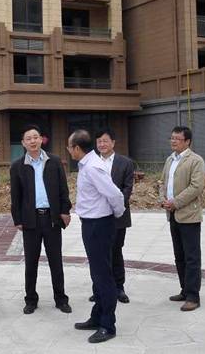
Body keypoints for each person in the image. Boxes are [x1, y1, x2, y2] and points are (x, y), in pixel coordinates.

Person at [67, 129, 124, 344]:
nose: (68, 150)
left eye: (69, 147)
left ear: (77, 148)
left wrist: (116, 214)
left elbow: (115, 194)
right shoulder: (87, 164)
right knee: (97, 274)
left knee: (103, 275)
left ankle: (108, 325)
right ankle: (97, 316)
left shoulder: (93, 167)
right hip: (91, 224)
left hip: (99, 225)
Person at [10, 125, 72, 315]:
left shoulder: (54, 161)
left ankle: (61, 299)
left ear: (41, 139)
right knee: (31, 262)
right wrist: (17, 219)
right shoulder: (17, 166)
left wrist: (65, 211)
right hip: (31, 220)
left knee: (56, 261)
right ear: (23, 143)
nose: (33, 141)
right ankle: (31, 300)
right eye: (28, 138)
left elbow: (63, 189)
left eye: (35, 137)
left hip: (52, 219)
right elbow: (16, 196)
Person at [161, 126, 205, 312]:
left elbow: (196, 187)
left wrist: (176, 202)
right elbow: (163, 183)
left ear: (187, 141)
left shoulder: (196, 160)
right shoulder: (170, 159)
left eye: (177, 139)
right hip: (172, 214)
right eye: (171, 138)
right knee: (179, 255)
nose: (173, 141)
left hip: (189, 216)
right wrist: (163, 199)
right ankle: (185, 290)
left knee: (191, 257)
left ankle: (193, 296)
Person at [94, 128, 134, 303]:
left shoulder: (125, 163)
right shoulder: (92, 163)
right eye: (99, 141)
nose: (102, 144)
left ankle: (119, 288)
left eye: (105, 141)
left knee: (116, 252)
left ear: (113, 143)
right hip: (97, 216)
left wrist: (114, 206)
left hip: (118, 216)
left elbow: (127, 189)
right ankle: (99, 289)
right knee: (99, 254)